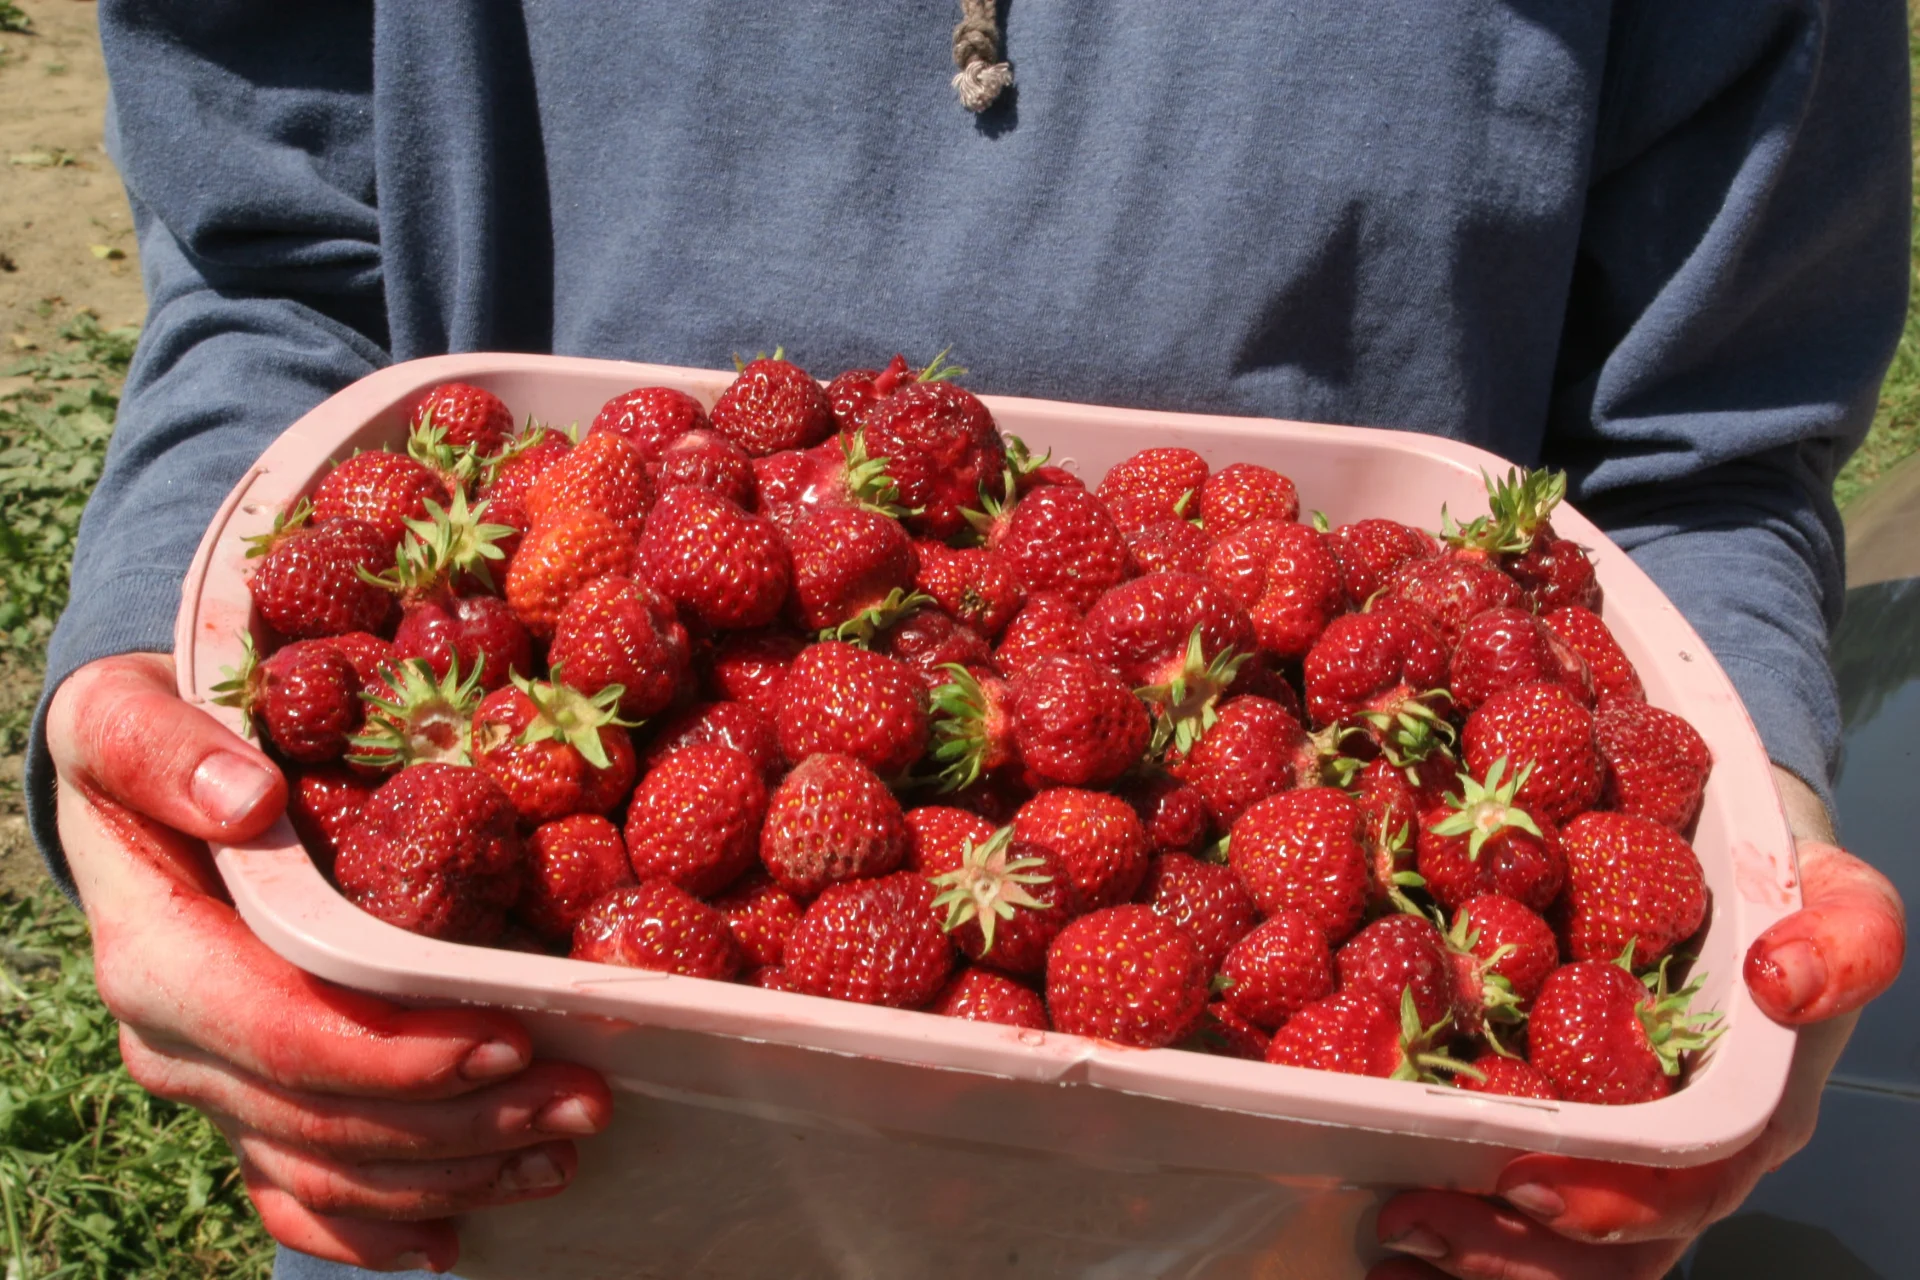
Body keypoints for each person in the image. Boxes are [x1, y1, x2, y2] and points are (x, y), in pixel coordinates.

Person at [29, 2, 1909, 1277]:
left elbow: (1694, 458)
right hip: (536, 1133)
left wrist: (1739, 880)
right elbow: (281, 271)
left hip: (1313, 1188)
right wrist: (156, 744)